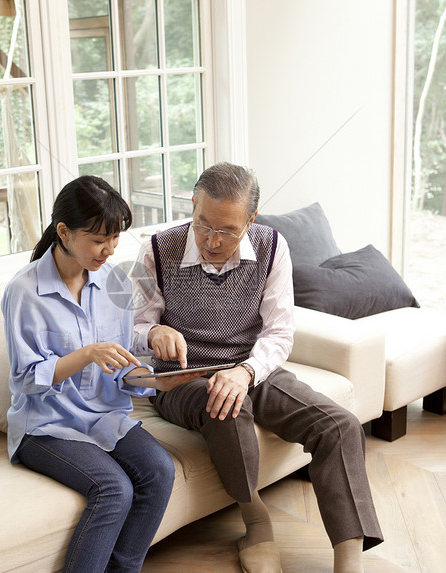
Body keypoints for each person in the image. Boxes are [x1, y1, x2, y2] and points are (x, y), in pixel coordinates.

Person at [132, 162, 384, 573]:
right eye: (203, 224)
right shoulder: (155, 250)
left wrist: (246, 372)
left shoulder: (272, 247)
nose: (213, 240)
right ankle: (257, 524)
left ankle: (349, 562)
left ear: (250, 219)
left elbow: (280, 332)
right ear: (193, 205)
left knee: (338, 425)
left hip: (251, 368)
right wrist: (153, 332)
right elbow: (131, 327)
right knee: (226, 407)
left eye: (228, 230)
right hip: (183, 378)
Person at [2, 175, 199, 573]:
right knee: (113, 489)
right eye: (98, 240)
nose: (108, 250)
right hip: (45, 426)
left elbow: (122, 368)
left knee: (159, 470)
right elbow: (24, 379)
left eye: (114, 238)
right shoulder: (24, 292)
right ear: (64, 232)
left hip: (104, 414)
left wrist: (156, 380)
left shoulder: (113, 282)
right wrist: (85, 355)